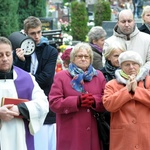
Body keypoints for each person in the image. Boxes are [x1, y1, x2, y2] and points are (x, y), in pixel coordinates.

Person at [49, 42, 106, 150]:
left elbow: (106, 99)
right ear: (73, 58)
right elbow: (54, 103)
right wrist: (76, 101)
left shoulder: (98, 76)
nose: (83, 59)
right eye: (79, 56)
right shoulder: (61, 77)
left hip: (93, 131)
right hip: (71, 131)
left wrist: (94, 101)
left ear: (90, 59)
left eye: (86, 56)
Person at [13, 16, 58, 150]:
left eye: (39, 32)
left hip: (44, 103)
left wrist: (27, 80)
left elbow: (47, 78)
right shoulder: (20, 51)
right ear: (25, 33)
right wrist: (20, 61)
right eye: (33, 33)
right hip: (24, 103)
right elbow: (15, 78)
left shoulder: (50, 51)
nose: (37, 36)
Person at [0, 36, 49, 150]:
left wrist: (21, 109)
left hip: (21, 140)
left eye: (8, 54)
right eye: (0, 55)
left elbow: (43, 103)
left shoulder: (27, 78)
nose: (5, 58)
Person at [103, 51, 150, 150]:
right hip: (123, 138)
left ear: (140, 65)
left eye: (134, 64)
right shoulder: (112, 84)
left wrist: (136, 90)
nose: (131, 67)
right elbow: (109, 105)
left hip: (146, 135)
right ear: (121, 67)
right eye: (127, 64)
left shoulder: (148, 81)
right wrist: (126, 90)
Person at [100, 42, 126, 150]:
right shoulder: (101, 74)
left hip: (125, 117)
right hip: (108, 117)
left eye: (122, 55)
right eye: (116, 55)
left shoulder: (129, 72)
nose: (119, 58)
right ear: (108, 57)